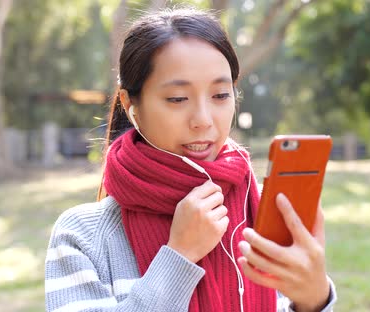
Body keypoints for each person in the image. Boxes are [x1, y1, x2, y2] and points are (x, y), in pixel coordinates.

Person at [45, 7, 337, 312]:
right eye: (177, 99)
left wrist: (314, 299)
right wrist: (179, 257)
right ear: (130, 104)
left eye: (221, 95)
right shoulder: (82, 235)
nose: (203, 120)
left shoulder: (264, 213)